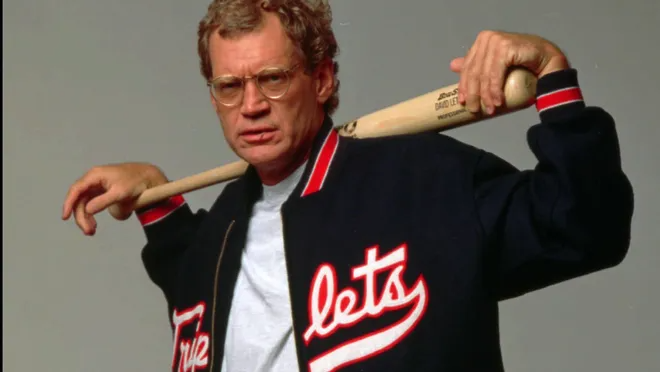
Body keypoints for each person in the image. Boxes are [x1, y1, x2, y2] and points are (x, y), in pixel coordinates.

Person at [62, 0, 634, 371]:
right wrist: (156, 196)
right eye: (229, 85)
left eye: (273, 78)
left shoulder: (427, 182)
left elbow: (586, 229)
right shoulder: (221, 232)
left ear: (323, 77)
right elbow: (192, 283)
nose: (252, 105)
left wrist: (553, 75)